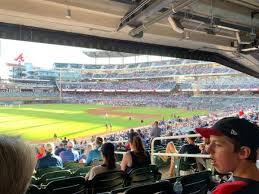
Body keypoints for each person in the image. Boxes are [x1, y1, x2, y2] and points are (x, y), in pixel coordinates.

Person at [196, 117, 259, 193]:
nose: (208, 149)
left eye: (217, 144)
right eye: (210, 143)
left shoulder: (226, 191)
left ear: (243, 153)